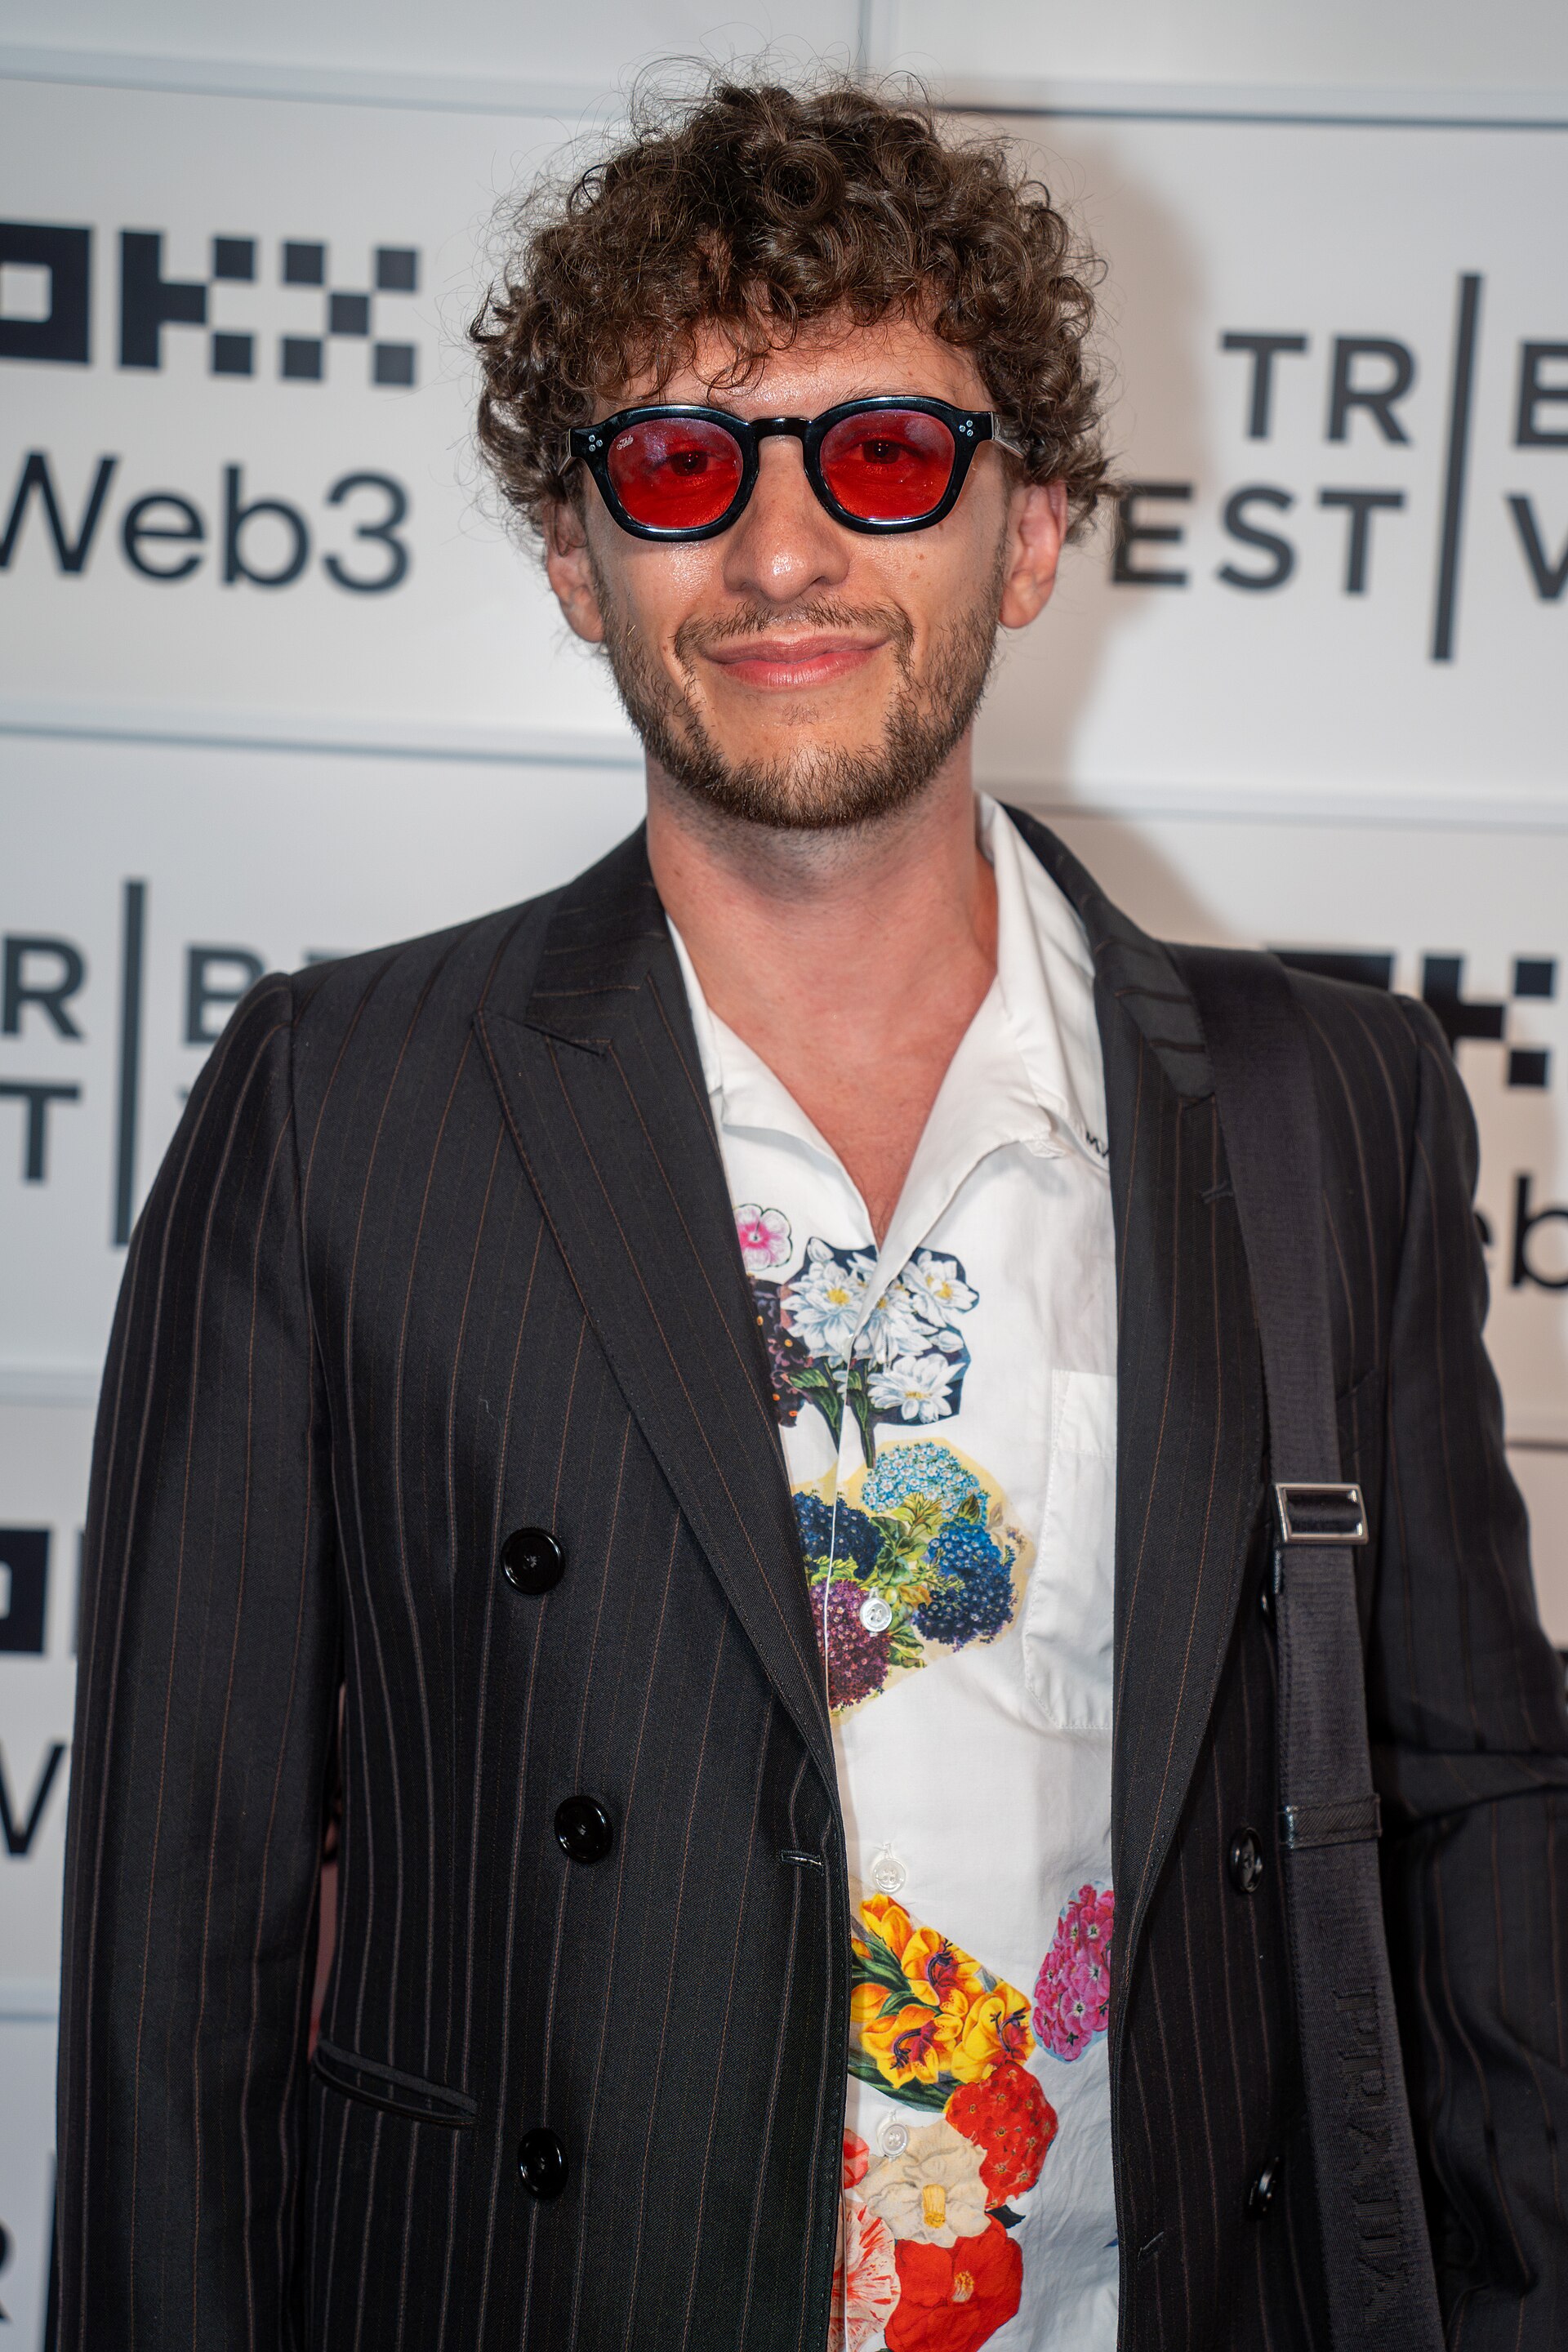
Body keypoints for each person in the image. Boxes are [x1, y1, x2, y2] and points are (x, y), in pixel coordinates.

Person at [56, 74, 1568, 2352]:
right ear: (579, 561)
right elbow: (184, 1939)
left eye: (883, 455)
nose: (781, 552)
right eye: (679, 464)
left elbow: (1477, 1828)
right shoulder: (338, 1105)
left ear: (1031, 530)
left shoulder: (1324, 1106)